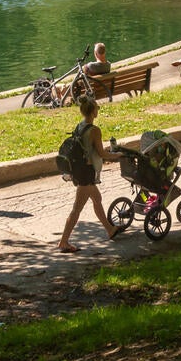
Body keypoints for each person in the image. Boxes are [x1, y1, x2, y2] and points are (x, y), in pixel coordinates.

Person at [56, 95, 124, 253]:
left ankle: (110, 230)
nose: (98, 110)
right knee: (77, 208)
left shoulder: (80, 126)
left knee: (97, 199)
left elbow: (89, 149)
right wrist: (118, 155)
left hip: (79, 169)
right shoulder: (94, 130)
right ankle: (64, 242)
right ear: (93, 111)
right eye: (97, 108)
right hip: (86, 172)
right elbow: (102, 154)